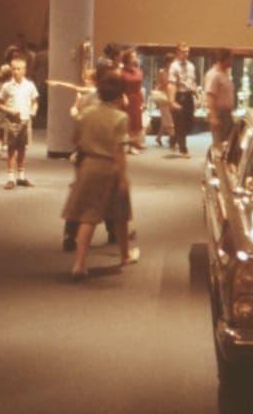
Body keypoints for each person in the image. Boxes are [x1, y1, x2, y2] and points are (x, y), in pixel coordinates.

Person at [61, 74, 138, 279]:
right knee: (120, 214)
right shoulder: (120, 117)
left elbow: (75, 138)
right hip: (110, 167)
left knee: (88, 216)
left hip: (88, 165)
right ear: (119, 96)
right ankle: (124, 256)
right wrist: (123, 177)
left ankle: (80, 263)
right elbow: (119, 150)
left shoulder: (86, 113)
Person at [0, 56, 39, 188]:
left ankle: (21, 177)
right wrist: (9, 110)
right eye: (13, 69)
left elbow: (35, 101)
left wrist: (33, 111)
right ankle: (10, 178)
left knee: (22, 149)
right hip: (11, 121)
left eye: (18, 69)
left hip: (25, 120)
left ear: (24, 70)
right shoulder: (7, 86)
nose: (15, 71)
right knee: (11, 150)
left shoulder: (30, 85)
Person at [167, 42, 198, 158]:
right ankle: (183, 149)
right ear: (177, 52)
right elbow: (171, 84)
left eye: (187, 51)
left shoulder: (191, 66)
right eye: (183, 51)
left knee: (189, 124)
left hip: (189, 96)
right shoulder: (174, 66)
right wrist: (172, 101)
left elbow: (192, 82)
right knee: (180, 124)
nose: (186, 54)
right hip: (179, 96)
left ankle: (174, 137)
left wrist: (198, 95)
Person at [204, 49, 235, 147]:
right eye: (230, 59)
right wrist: (213, 117)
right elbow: (210, 96)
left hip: (226, 114)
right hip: (219, 114)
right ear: (223, 59)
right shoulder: (214, 75)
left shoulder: (224, 74)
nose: (232, 61)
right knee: (219, 144)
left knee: (226, 143)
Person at [120, 49, 146, 154]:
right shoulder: (121, 72)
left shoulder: (138, 71)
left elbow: (139, 87)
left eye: (136, 56)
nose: (135, 58)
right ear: (128, 59)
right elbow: (119, 88)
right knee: (128, 122)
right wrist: (123, 96)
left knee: (136, 122)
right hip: (126, 97)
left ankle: (134, 143)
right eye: (133, 56)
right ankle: (130, 145)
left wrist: (143, 100)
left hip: (136, 97)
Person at [151, 54, 174, 147]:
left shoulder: (173, 72)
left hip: (171, 97)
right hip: (164, 97)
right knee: (168, 118)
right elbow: (158, 83)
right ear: (167, 62)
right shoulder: (161, 72)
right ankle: (173, 138)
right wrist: (165, 85)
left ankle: (158, 137)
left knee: (166, 118)